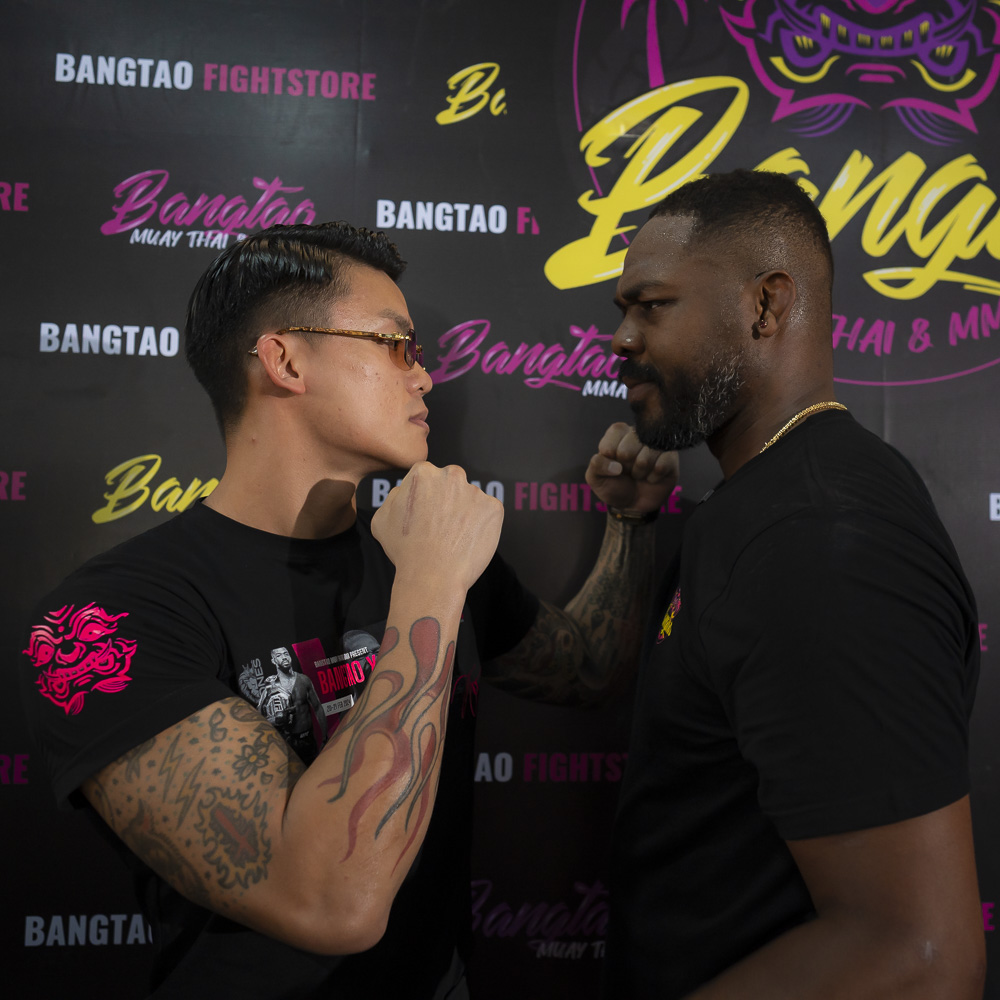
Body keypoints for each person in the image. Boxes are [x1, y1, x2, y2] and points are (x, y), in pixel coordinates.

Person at [18, 221, 676, 999]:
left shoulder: (427, 547)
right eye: (396, 345)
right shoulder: (106, 617)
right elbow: (334, 902)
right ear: (286, 361)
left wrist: (631, 521)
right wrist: (430, 584)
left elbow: (587, 671)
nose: (424, 376)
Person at [600, 169, 985, 999]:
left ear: (766, 306)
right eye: (623, 310)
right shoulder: (766, 504)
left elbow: (917, 957)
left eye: (652, 305)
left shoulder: (819, 536)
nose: (621, 338)